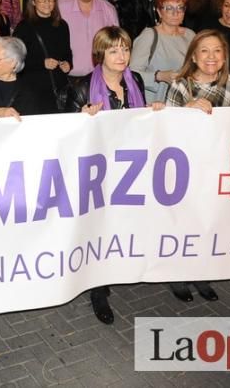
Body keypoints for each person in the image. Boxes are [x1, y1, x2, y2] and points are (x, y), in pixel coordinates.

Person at [165, 30, 230, 302]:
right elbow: (166, 129)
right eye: (204, 50)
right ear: (193, 55)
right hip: (188, 167)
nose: (211, 56)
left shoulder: (229, 80)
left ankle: (201, 273)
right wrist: (187, 109)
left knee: (210, 221)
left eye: (217, 50)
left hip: (218, 164)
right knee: (185, 222)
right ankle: (177, 274)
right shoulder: (181, 85)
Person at [64, 26, 146, 325]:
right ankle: (98, 289)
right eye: (113, 50)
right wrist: (82, 119)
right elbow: (66, 134)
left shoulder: (134, 80)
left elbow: (142, 119)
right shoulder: (82, 87)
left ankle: (117, 268)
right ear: (100, 54)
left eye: (124, 49)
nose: (121, 55)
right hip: (98, 170)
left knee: (121, 224)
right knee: (98, 228)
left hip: (129, 166)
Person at [12, 0, 72, 114]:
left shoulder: (62, 25)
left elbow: (67, 53)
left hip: (58, 89)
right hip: (33, 92)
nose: (47, 2)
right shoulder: (24, 27)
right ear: (33, 1)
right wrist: (41, 63)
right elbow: (15, 61)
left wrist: (68, 64)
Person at [131, 0, 195, 102]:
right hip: (156, 105)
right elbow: (131, 75)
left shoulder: (191, 35)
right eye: (169, 8)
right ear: (159, 12)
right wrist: (159, 76)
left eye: (180, 7)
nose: (175, 13)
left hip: (185, 103)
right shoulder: (149, 35)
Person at [59, 0, 119, 77]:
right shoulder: (60, 8)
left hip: (100, 78)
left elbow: (115, 45)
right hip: (66, 77)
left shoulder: (108, 9)